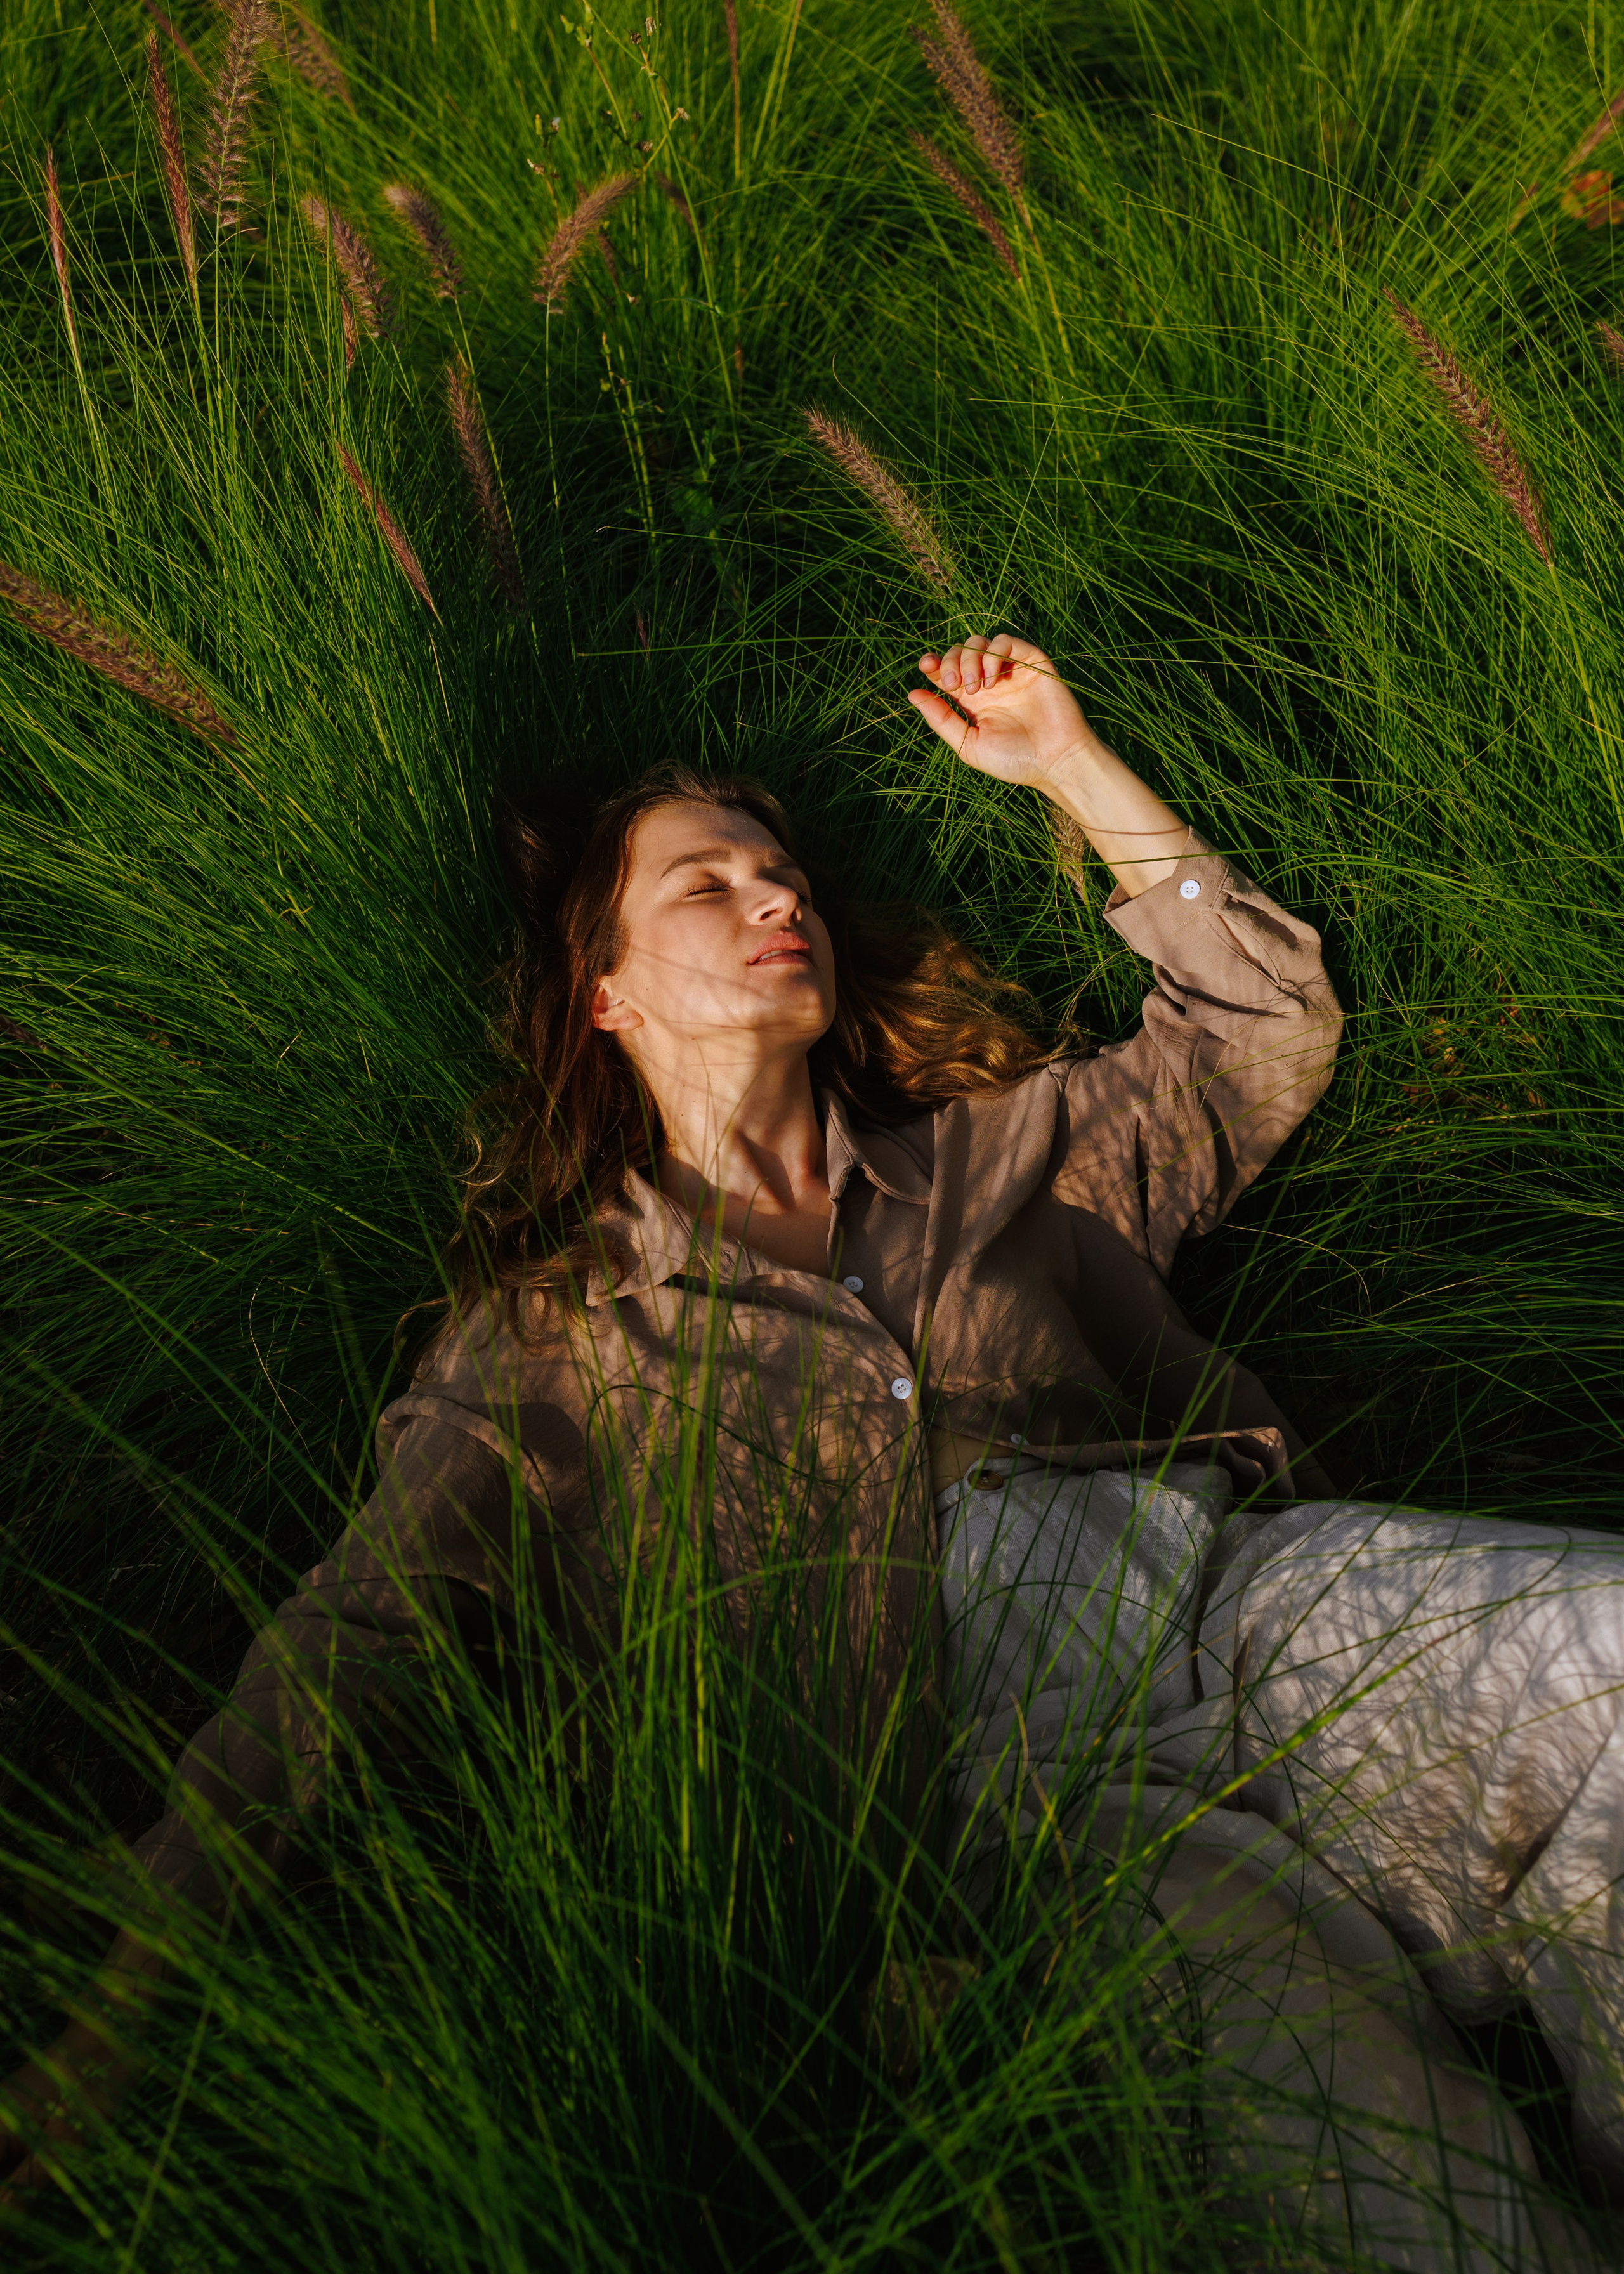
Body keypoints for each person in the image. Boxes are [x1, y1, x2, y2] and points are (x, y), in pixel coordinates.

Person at [3, 634, 1619, 2264]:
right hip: (1007, 1815)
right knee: (1390, 2184)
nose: (776, 898)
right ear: (605, 991)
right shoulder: (554, 1326)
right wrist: (118, 2011)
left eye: (780, 873)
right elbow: (344, 1652)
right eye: (703, 884)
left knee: (1602, 1663)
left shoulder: (995, 1159)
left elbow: (1259, 1017)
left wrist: (1064, 758)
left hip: (1239, 1608)